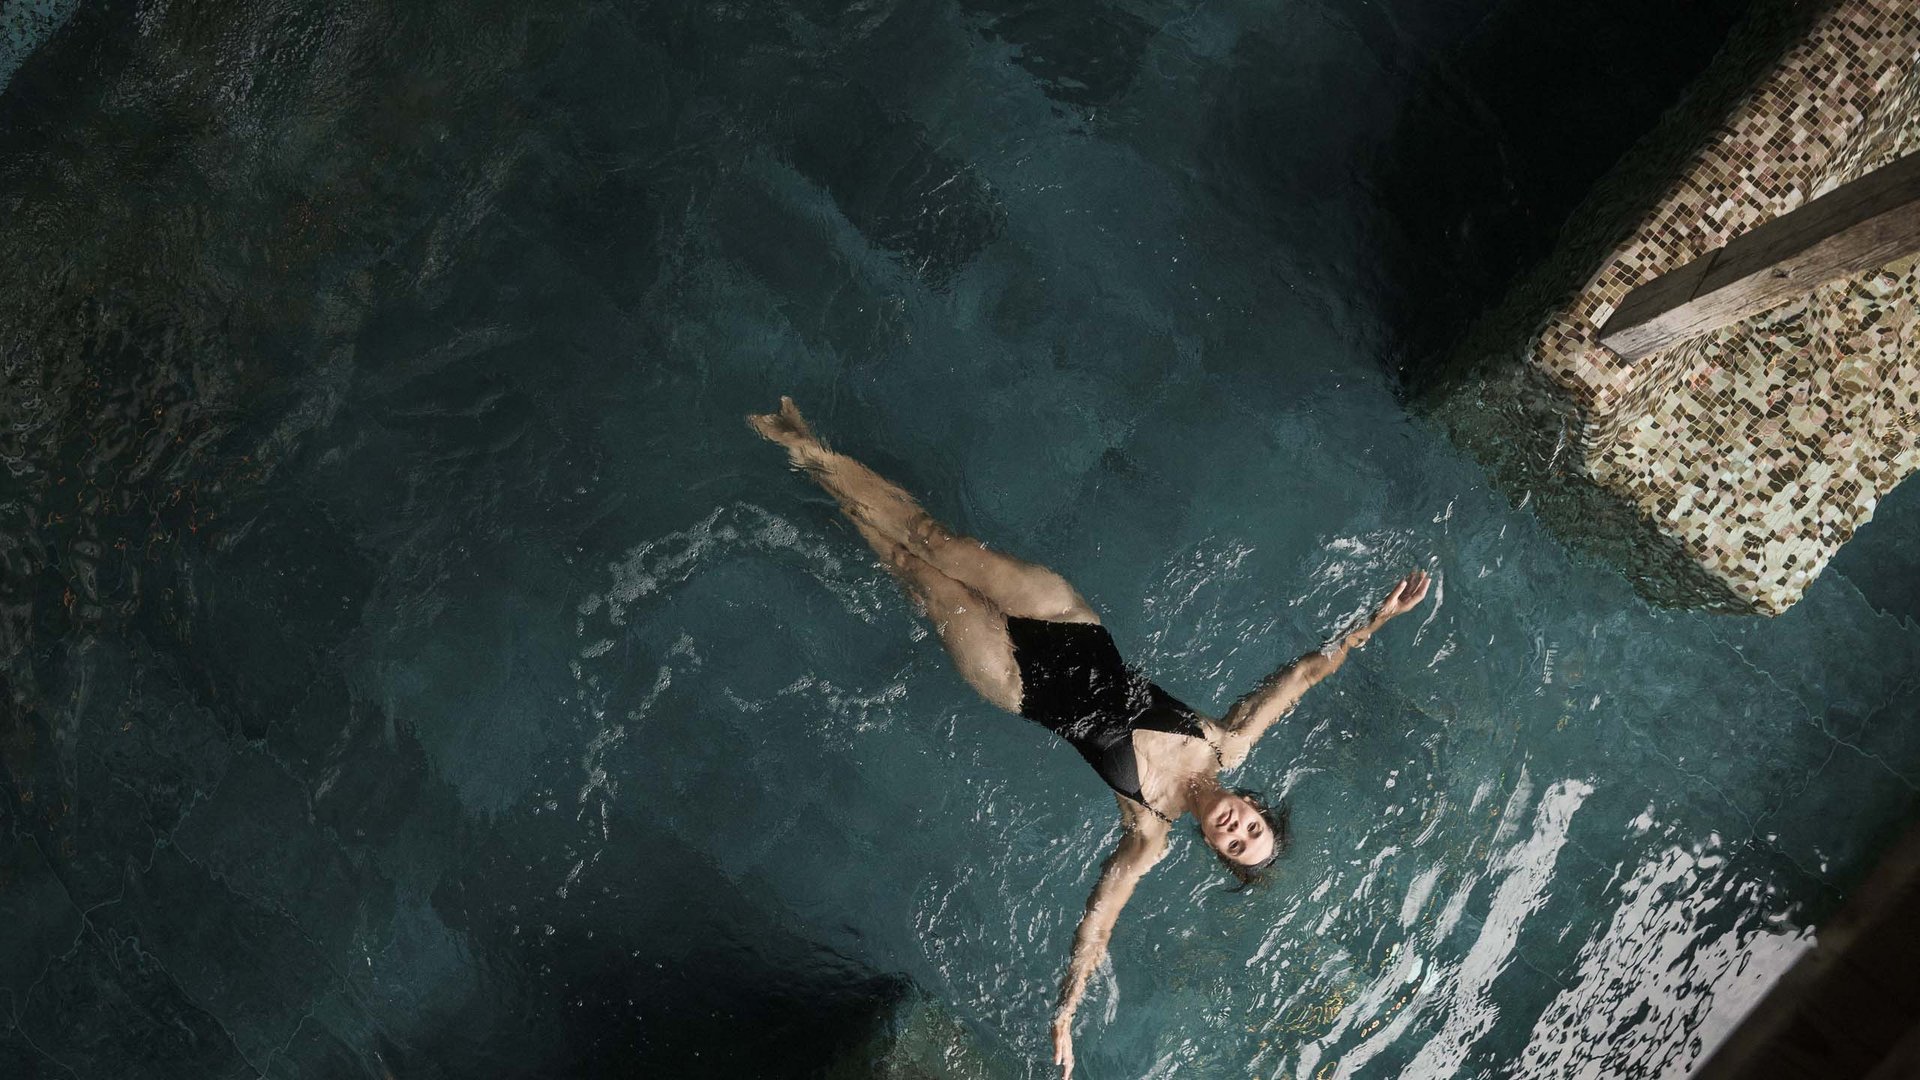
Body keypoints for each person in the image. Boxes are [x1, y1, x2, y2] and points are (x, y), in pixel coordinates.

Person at [748, 397, 1431, 1079]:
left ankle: (813, 468)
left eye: (1236, 845)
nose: (1238, 831)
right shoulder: (1229, 740)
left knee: (914, 574)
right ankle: (810, 449)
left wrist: (1066, 1013)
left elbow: (1098, 925)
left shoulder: (1148, 831)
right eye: (1253, 828)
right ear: (1254, 806)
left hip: (1020, 685)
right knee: (935, 540)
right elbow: (1305, 674)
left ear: (1217, 848)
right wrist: (1380, 618)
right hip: (1070, 624)